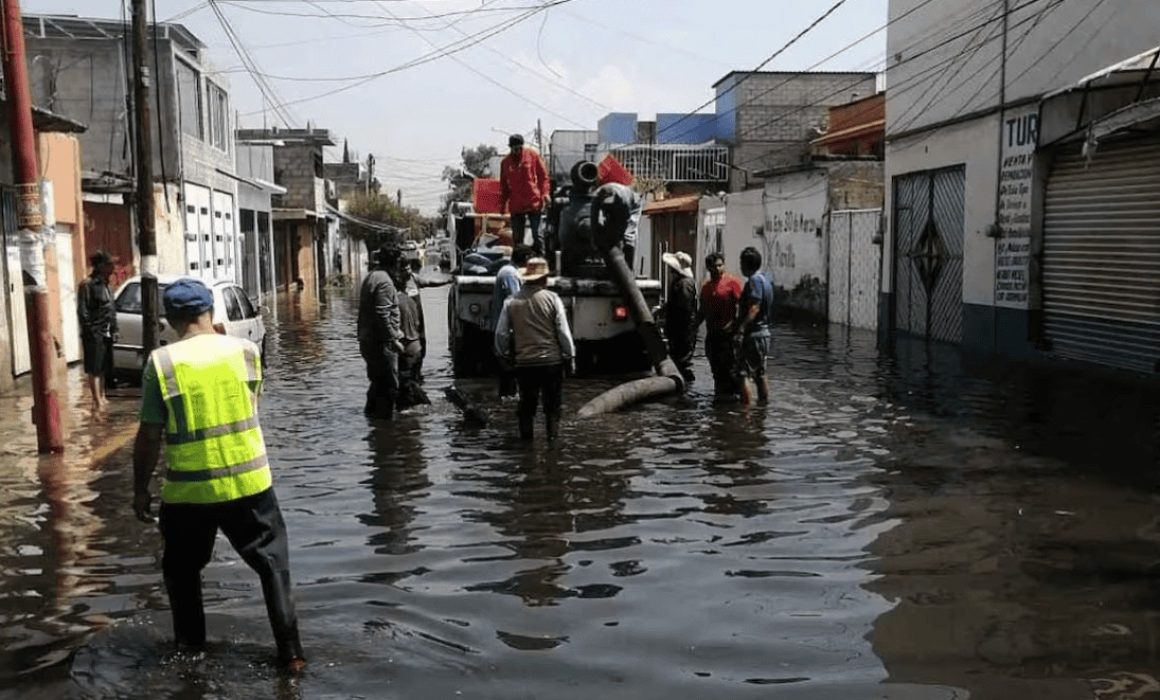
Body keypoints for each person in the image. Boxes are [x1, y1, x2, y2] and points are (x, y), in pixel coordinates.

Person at [130, 278, 305, 672]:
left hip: (189, 493)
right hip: (250, 485)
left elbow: (149, 436)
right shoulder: (246, 352)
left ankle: (191, 655)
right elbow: (251, 404)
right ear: (210, 312)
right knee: (273, 565)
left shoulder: (162, 364)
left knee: (182, 572)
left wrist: (140, 490)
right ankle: (291, 655)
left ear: (171, 320)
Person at [494, 257, 575, 443]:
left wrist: (503, 356)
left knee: (526, 407)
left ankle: (526, 447)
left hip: (525, 364)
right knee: (552, 408)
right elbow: (563, 331)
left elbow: (501, 335)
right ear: (544, 279)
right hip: (551, 363)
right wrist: (570, 356)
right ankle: (552, 443)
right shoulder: (553, 299)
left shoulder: (511, 302)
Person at [357, 242, 404, 420]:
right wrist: (394, 340)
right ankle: (385, 428)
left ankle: (373, 425)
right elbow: (382, 313)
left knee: (377, 383)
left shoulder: (372, 276)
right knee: (389, 385)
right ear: (395, 262)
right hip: (380, 343)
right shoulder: (384, 281)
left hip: (368, 341)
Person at [695, 251, 743, 398]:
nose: (717, 269)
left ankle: (736, 404)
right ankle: (720, 403)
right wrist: (693, 327)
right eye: (714, 266)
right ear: (708, 268)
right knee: (716, 372)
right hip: (712, 335)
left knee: (731, 371)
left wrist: (738, 328)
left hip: (728, 335)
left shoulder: (732, 283)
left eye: (720, 265)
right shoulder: (706, 288)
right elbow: (702, 311)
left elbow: (742, 306)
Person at [489, 244, 535, 398]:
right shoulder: (510, 274)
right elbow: (515, 303)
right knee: (509, 371)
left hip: (506, 329)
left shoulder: (509, 271)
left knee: (508, 372)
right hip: (507, 330)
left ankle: (507, 399)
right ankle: (508, 400)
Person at [733, 247, 774, 406]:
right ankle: (763, 409)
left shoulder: (754, 281)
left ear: (745, 264)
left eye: (741, 263)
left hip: (754, 335)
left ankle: (746, 414)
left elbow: (754, 308)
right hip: (764, 334)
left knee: (744, 374)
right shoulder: (766, 280)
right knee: (760, 373)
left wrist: (741, 330)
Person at [77, 250, 118, 409]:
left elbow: (111, 309)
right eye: (109, 265)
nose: (112, 268)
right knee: (94, 367)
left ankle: (102, 396)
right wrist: (90, 331)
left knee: (103, 366)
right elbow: (83, 311)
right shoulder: (87, 285)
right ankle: (96, 400)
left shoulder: (108, 285)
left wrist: (114, 329)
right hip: (94, 332)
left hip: (106, 331)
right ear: (100, 266)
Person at [499, 134, 549, 254]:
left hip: (533, 201)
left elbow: (543, 177)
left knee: (537, 235)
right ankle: (519, 263)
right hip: (516, 205)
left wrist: (545, 194)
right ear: (510, 148)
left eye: (520, 148)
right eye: (515, 148)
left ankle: (541, 260)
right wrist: (502, 205)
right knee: (517, 239)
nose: (518, 151)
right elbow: (504, 186)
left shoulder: (532, 155)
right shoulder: (505, 163)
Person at [391, 258, 430, 411]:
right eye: (404, 269)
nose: (408, 271)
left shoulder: (395, 300)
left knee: (405, 385)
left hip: (407, 345)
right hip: (415, 344)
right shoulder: (408, 299)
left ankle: (409, 412)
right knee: (411, 381)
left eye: (409, 268)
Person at [661, 251, 698, 384]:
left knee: (681, 362)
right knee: (678, 360)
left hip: (682, 331)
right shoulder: (680, 282)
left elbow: (684, 309)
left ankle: (683, 387)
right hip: (680, 331)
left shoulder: (685, 284)